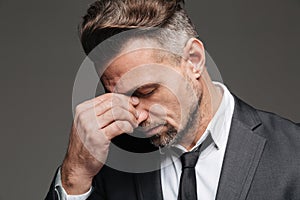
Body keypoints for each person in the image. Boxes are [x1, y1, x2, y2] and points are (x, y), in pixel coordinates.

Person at [45, 0, 300, 199]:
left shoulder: (293, 153)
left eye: (146, 91)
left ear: (194, 60)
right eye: (120, 97)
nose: (138, 117)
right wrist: (73, 176)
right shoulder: (106, 163)